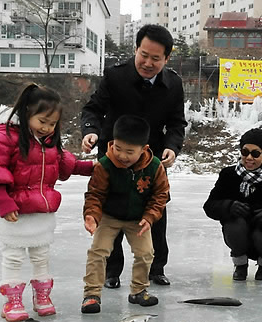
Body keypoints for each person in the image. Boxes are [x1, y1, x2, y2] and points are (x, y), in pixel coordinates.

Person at [80, 24, 187, 288]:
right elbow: (93, 108)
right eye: (144, 55)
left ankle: (156, 268)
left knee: (155, 212)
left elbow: (176, 123)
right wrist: (90, 131)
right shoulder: (116, 77)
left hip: (150, 161)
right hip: (114, 156)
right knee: (111, 212)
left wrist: (172, 146)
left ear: (166, 58)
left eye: (156, 58)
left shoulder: (173, 84)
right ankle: (112, 271)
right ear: (136, 49)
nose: (148, 63)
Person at [0, 83, 94, 322]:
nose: (47, 128)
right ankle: (12, 301)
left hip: (41, 211)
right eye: (42, 121)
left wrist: (92, 167)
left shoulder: (48, 141)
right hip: (13, 211)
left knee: (41, 255)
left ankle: (42, 297)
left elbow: (62, 164)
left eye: (52, 124)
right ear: (27, 113)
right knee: (14, 256)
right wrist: (4, 202)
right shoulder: (6, 136)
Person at [81, 115, 169, 313]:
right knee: (98, 251)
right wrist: (92, 215)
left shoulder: (154, 167)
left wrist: (150, 217)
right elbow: (95, 194)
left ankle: (138, 290)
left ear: (143, 149)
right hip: (109, 217)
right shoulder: (105, 165)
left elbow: (160, 195)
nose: (122, 155)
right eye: (118, 148)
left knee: (146, 253)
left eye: (130, 152)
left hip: (138, 218)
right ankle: (91, 294)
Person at [203, 128, 262, 281]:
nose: (248, 157)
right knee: (235, 226)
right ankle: (240, 265)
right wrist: (228, 206)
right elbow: (209, 206)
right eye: (245, 152)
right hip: (240, 232)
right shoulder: (229, 175)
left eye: (255, 154)